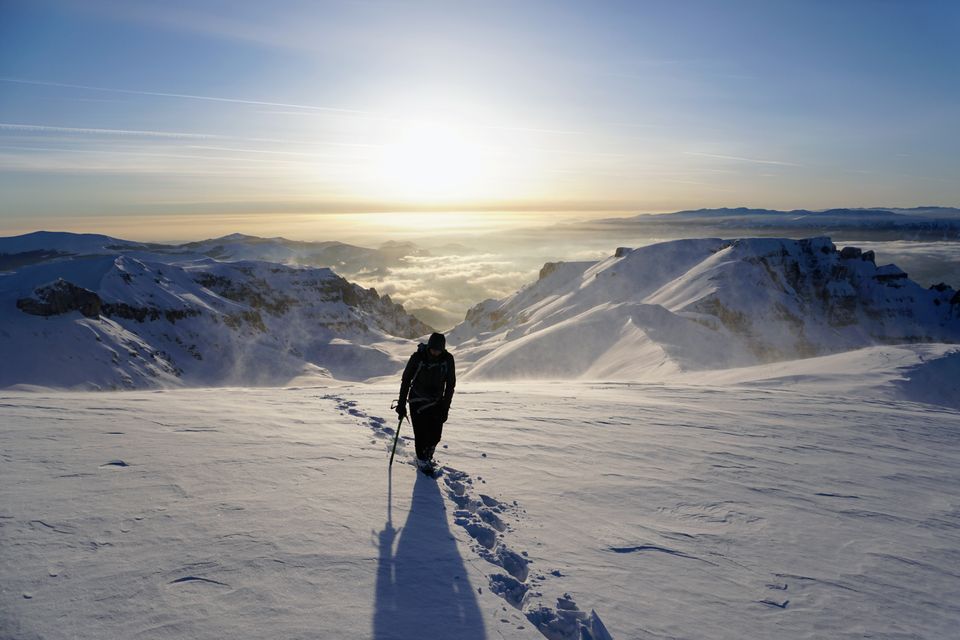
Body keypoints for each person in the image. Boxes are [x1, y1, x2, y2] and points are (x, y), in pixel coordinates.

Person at [396, 332, 456, 470]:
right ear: (429, 346)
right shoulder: (418, 358)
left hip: (436, 402)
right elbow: (406, 380)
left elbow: (450, 385)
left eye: (438, 350)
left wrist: (445, 408)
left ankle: (428, 455)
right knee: (421, 434)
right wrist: (401, 404)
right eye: (433, 349)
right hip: (417, 401)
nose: (435, 352)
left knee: (435, 435)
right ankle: (422, 461)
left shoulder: (447, 360)